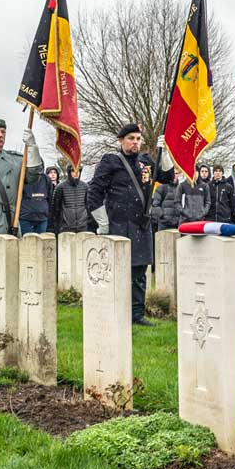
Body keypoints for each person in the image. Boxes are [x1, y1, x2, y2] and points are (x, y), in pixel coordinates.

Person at [87, 123, 174, 326]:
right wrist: (103, 223)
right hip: (118, 224)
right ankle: (115, 310)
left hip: (140, 224)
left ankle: (137, 314)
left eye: (138, 139)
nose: (135, 142)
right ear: (121, 140)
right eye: (131, 138)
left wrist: (166, 154)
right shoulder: (111, 161)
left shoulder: (145, 161)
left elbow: (167, 177)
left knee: (139, 273)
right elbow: (94, 193)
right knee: (117, 271)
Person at [50, 164, 90, 233]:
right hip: (65, 226)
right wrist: (59, 224)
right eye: (73, 171)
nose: (76, 173)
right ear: (69, 172)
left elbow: (88, 206)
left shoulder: (85, 186)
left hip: (83, 226)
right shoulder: (60, 187)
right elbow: (55, 208)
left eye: (78, 171)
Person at [18, 171, 53, 235]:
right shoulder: (22, 176)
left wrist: (47, 213)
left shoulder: (46, 179)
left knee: (41, 240)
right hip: (25, 217)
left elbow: (50, 198)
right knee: (28, 240)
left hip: (42, 217)